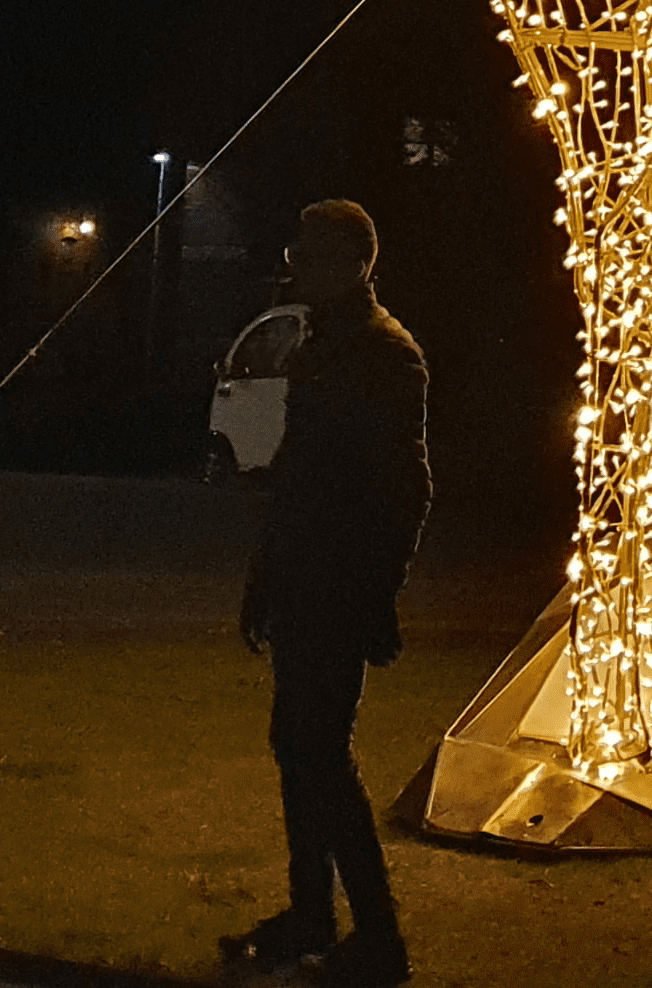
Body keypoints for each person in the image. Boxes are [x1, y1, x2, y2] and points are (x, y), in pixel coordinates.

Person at [221, 201, 429, 986]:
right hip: (306, 581)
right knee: (297, 749)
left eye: (306, 254)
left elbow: (406, 488)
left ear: (351, 264)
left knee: (321, 753)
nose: (292, 266)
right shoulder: (323, 346)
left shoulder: (384, 354)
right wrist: (263, 583)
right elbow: (294, 481)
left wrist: (378, 595)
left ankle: (379, 936)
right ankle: (312, 913)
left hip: (339, 587)